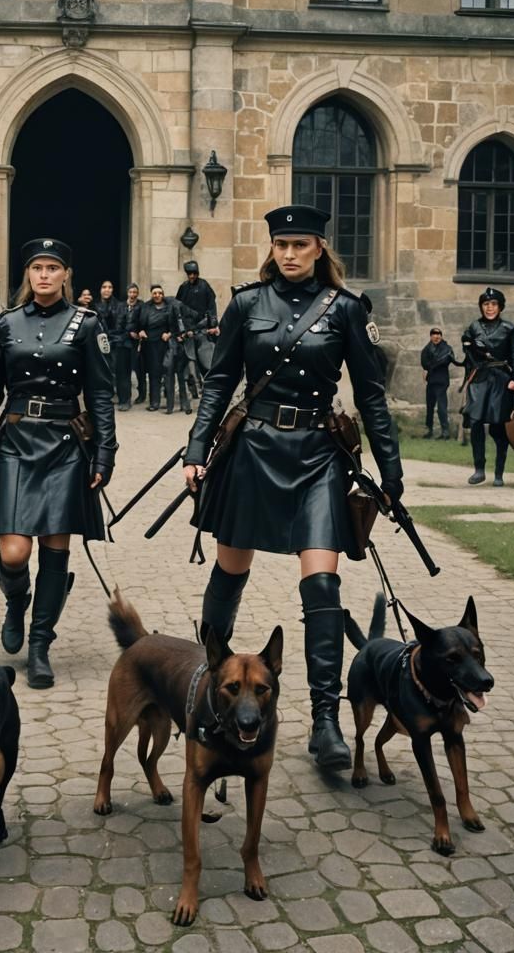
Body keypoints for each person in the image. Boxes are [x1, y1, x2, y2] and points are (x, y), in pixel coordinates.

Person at [182, 205, 403, 772]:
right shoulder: (247, 304)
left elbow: (372, 394)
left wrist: (391, 470)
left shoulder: (348, 310)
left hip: (316, 457)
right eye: (281, 244)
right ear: (271, 248)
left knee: (322, 585)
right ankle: (213, 691)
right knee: (230, 570)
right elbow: (218, 383)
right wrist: (195, 451)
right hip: (253, 452)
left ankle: (326, 721)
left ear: (320, 249)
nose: (289, 254)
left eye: (301, 245)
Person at [0, 238, 117, 689]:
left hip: (64, 446)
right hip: (17, 443)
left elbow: (100, 393)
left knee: (55, 549)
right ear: (28, 274)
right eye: (37, 268)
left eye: (52, 268)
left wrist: (106, 452)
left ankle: (40, 646)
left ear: (65, 275)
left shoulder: (86, 324)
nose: (44, 275)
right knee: (14, 552)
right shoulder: (7, 324)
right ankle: (16, 599)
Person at [461, 287, 514, 487]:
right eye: (486, 304)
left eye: (494, 304)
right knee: (476, 423)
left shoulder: (509, 328)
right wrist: (469, 347)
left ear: (500, 306)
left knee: (499, 427)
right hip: (479, 379)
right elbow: (468, 358)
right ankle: (479, 469)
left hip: (501, 380)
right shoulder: (473, 327)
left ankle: (499, 473)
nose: (490, 308)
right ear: (481, 306)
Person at [175, 260, 219, 395]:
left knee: (206, 360)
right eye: (190, 274)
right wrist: (181, 329)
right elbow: (178, 307)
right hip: (188, 329)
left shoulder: (204, 286)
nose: (192, 276)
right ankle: (194, 388)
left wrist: (213, 325)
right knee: (190, 359)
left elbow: (211, 306)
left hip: (203, 327)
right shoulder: (183, 287)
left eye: (194, 273)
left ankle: (210, 388)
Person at [133, 284, 172, 411]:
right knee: (151, 373)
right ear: (151, 294)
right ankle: (152, 401)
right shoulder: (145, 307)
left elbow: (174, 325)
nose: (157, 295)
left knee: (162, 372)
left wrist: (169, 333)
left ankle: (162, 401)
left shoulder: (169, 307)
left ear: (163, 294)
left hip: (163, 343)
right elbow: (137, 323)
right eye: (155, 293)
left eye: (160, 293)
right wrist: (140, 331)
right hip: (148, 344)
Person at [95, 280, 131, 410]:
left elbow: (125, 324)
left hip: (119, 341)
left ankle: (125, 400)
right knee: (105, 371)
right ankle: (108, 397)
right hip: (103, 342)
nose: (107, 290)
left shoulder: (121, 305)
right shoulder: (96, 306)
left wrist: (118, 338)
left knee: (122, 373)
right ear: (100, 290)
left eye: (110, 287)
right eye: (104, 287)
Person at [420, 328, 461, 439]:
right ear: (431, 336)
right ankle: (429, 430)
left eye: (438, 335)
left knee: (442, 407)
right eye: (434, 334)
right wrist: (433, 364)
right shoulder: (427, 349)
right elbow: (424, 362)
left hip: (441, 381)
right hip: (431, 381)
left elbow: (446, 360)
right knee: (430, 407)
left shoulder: (446, 348)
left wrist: (433, 364)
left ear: (441, 336)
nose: (436, 337)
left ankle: (445, 432)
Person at [163, 298, 193, 415]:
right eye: (176, 308)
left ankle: (185, 405)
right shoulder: (168, 317)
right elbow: (165, 330)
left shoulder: (186, 318)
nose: (178, 310)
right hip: (171, 348)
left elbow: (191, 328)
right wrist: (173, 334)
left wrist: (186, 335)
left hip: (183, 349)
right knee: (169, 376)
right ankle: (170, 407)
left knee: (183, 377)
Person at [124, 283, 146, 404]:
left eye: (135, 292)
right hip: (126, 340)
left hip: (139, 341)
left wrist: (138, 332)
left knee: (139, 369)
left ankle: (142, 394)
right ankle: (125, 395)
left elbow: (143, 320)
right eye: (130, 292)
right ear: (127, 293)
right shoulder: (123, 306)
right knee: (126, 368)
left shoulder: (142, 305)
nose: (132, 295)